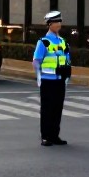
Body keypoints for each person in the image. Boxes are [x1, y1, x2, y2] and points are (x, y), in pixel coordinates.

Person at [33, 10, 71, 146]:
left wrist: (67, 76)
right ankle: (45, 136)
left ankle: (55, 135)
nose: (58, 24)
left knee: (57, 108)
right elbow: (36, 61)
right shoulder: (43, 42)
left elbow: (67, 60)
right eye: (56, 22)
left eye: (59, 21)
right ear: (49, 24)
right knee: (47, 109)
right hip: (47, 81)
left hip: (60, 80)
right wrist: (39, 77)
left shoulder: (63, 42)